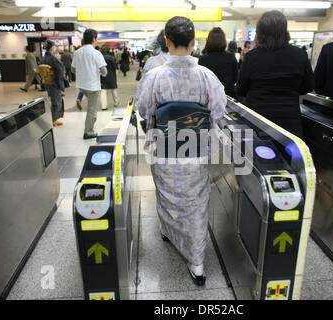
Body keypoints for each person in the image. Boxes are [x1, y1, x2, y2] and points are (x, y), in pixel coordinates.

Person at [136, 16, 226, 286]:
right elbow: (218, 110)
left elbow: (143, 109)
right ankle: (197, 263)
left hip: (164, 148)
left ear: (166, 40)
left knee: (166, 194)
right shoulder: (206, 76)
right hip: (195, 149)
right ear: (193, 42)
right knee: (197, 202)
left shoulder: (155, 76)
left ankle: (167, 230)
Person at [237, 11, 314, 137]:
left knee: (255, 155)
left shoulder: (252, 57)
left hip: (257, 122)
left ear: (260, 32)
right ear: (284, 31)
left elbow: (240, 89)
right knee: (289, 156)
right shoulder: (299, 54)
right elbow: (308, 87)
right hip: (289, 124)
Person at [71, 28, 107, 139]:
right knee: (92, 110)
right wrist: (98, 72)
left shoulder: (77, 53)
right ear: (93, 39)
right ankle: (88, 132)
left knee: (91, 108)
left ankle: (89, 128)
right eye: (96, 38)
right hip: (93, 86)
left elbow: (73, 69)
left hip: (82, 85)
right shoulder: (96, 53)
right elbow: (104, 71)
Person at [199, 27, 238, 97]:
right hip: (227, 96)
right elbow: (235, 78)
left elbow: (200, 81)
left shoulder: (203, 59)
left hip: (209, 97)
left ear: (209, 41)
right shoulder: (231, 56)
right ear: (223, 40)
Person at [40, 40, 65, 126]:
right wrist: (61, 83)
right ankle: (54, 119)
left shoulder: (44, 58)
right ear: (52, 47)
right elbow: (59, 70)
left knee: (54, 99)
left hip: (48, 82)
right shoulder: (53, 58)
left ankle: (54, 118)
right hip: (54, 82)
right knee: (56, 101)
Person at [100, 45, 119, 110]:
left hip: (102, 76)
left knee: (103, 91)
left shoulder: (100, 57)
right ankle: (116, 102)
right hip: (111, 76)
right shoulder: (111, 57)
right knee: (114, 90)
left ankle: (104, 106)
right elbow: (115, 66)